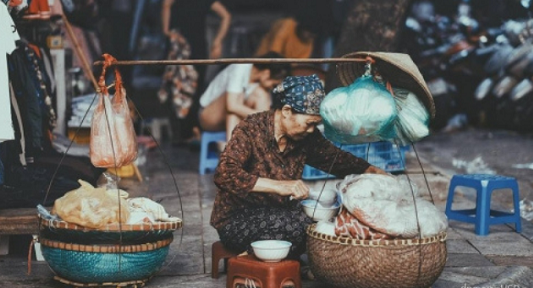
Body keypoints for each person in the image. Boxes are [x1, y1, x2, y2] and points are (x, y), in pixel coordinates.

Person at [209, 74, 387, 261]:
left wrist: (371, 171)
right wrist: (281, 186)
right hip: (236, 219)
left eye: (316, 125)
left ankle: (265, 260)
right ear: (286, 111)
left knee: (321, 226)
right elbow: (225, 173)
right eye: (309, 123)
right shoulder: (250, 129)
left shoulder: (307, 138)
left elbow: (337, 159)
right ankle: (247, 264)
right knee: (297, 227)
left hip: (278, 213)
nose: (312, 130)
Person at [161, 0, 231, 144]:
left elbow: (226, 16)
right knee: (184, 90)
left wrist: (218, 42)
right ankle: (187, 132)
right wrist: (166, 31)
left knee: (184, 90)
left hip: (189, 48)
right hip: (185, 49)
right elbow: (226, 15)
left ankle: (189, 132)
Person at [198, 52, 291, 141]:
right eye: (274, 85)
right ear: (267, 73)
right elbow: (232, 106)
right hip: (208, 116)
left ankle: (260, 149)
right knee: (235, 106)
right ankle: (232, 152)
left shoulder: (259, 86)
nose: (272, 88)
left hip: (230, 122)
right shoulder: (240, 68)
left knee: (261, 94)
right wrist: (264, 117)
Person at [254, 15, 320, 59]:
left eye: (312, 36)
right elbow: (274, 52)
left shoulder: (309, 42)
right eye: (309, 33)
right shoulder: (288, 25)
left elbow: (300, 64)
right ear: (301, 28)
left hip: (284, 70)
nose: (309, 37)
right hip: (265, 60)